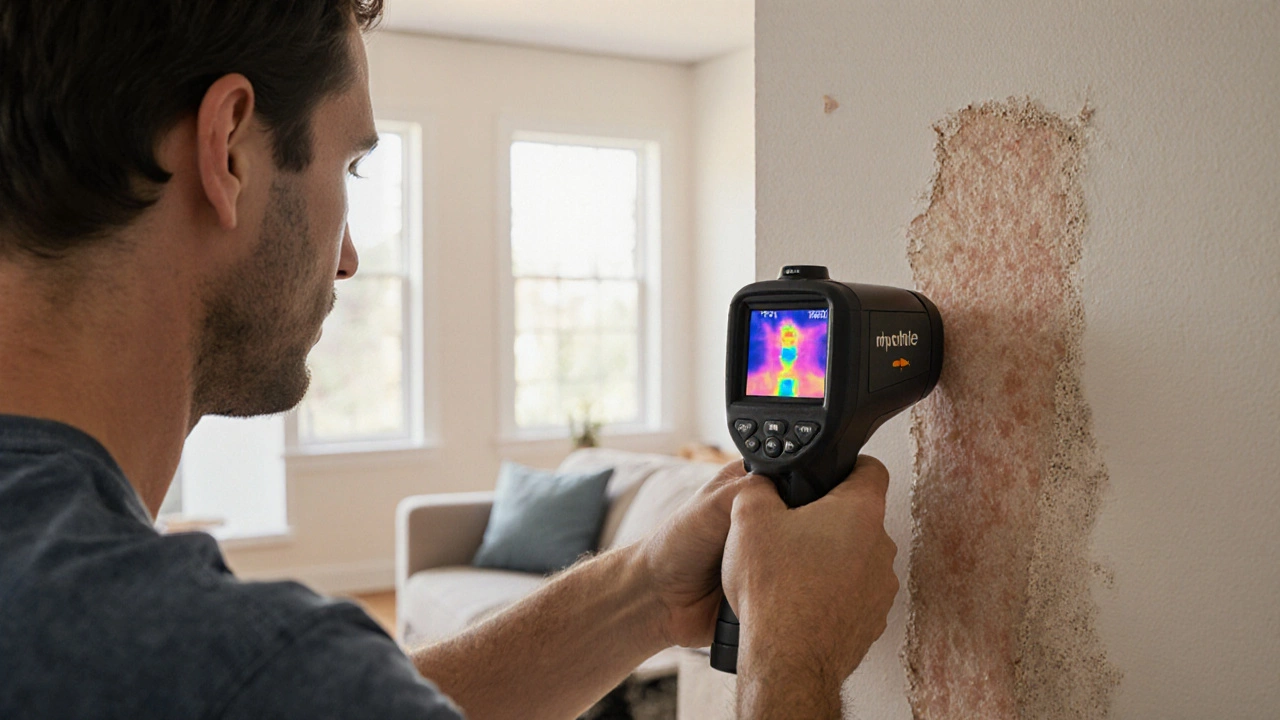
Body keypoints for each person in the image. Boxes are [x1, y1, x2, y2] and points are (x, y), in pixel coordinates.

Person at [0, 2, 900, 718]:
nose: (348, 257)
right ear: (228, 147)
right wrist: (793, 659)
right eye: (349, 168)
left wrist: (645, 594)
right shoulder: (226, 666)